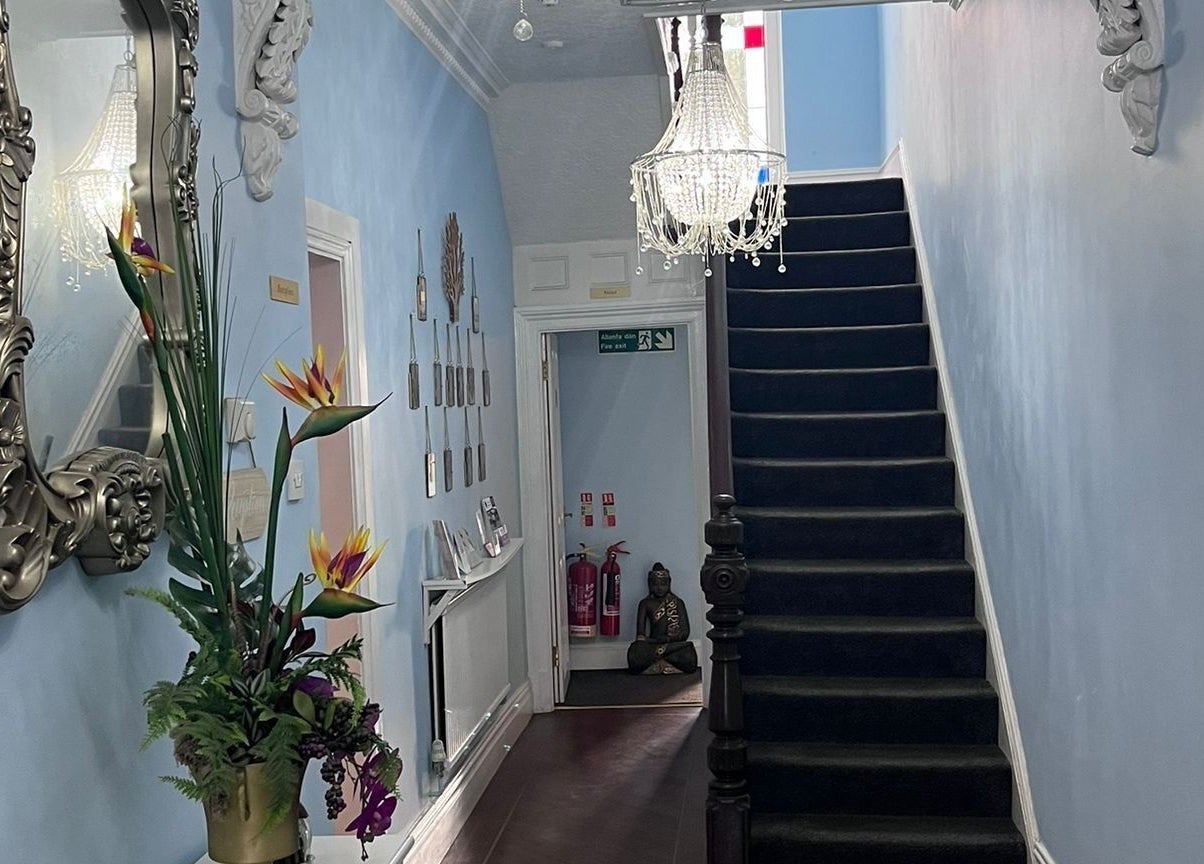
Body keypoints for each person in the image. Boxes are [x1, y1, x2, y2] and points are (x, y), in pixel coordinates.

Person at [627, 562, 698, 675]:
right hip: (653, 644)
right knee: (636, 652)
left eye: (663, 584)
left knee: (688, 652)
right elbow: (640, 635)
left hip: (673, 646)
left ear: (669, 584)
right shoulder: (645, 603)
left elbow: (685, 633)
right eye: (655, 584)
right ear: (650, 585)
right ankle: (668, 664)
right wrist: (654, 641)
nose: (660, 588)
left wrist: (666, 639)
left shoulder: (677, 602)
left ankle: (656, 665)